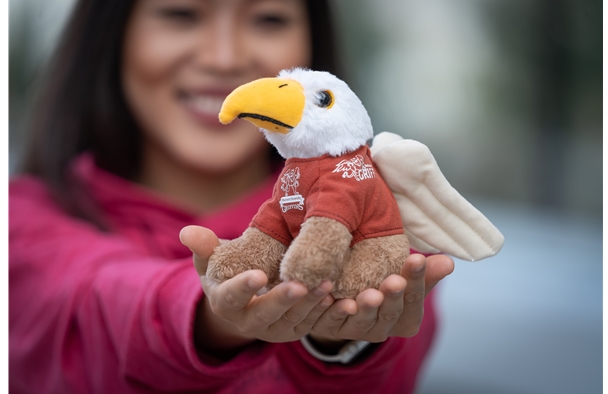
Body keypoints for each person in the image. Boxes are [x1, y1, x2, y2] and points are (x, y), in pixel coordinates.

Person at [9, 0, 455, 392]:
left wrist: (340, 341)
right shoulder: (23, 221)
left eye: (268, 19)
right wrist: (207, 315)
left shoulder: (380, 213)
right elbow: (89, 307)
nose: (225, 59)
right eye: (180, 13)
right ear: (111, 34)